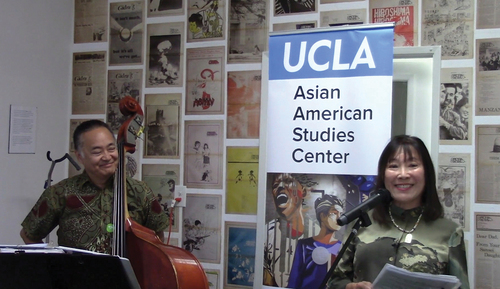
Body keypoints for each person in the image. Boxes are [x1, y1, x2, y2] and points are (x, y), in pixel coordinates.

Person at [326, 135, 470, 289]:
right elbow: (334, 281)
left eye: (412, 165)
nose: (402, 174)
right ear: (383, 174)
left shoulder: (450, 232)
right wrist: (351, 288)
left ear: (426, 173)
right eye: (393, 166)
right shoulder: (362, 222)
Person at [20, 120, 169, 254]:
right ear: (80, 156)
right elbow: (29, 234)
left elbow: (158, 236)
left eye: (111, 148)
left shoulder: (140, 191)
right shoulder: (60, 193)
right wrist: (54, 267)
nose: (107, 156)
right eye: (97, 152)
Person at [288, 194, 344, 289]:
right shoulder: (305, 245)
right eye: (334, 213)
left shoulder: (342, 247)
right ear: (322, 216)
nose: (339, 218)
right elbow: (294, 279)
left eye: (341, 214)